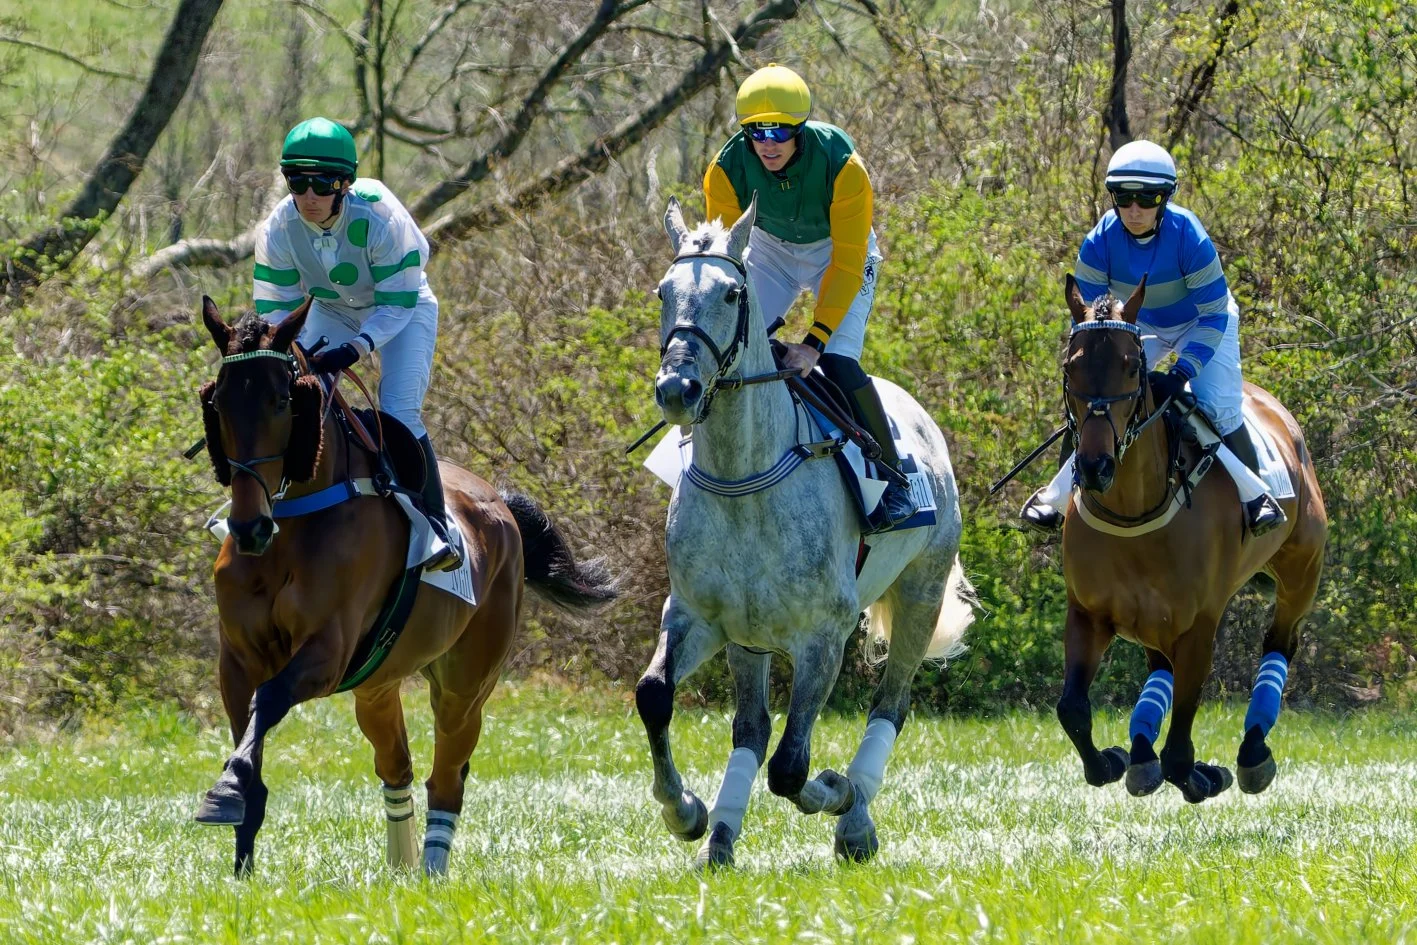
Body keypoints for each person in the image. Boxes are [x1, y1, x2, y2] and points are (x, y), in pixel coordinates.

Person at [1021, 139, 1287, 536]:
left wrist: (1182, 372)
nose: (1134, 210)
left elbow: (1213, 314)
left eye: (1148, 198)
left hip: (1201, 321)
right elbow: (1092, 322)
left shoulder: (1188, 237)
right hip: (1139, 325)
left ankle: (1257, 498)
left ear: (1165, 198)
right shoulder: (1098, 242)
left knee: (1218, 406)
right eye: (1124, 198)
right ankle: (1057, 500)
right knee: (1093, 398)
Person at [703, 64, 914, 533]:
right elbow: (725, 260)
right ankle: (695, 470)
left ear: (799, 128)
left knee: (837, 360)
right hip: (768, 251)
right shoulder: (723, 170)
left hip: (837, 254)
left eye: (779, 130)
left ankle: (893, 475)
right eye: (756, 131)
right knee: (721, 352)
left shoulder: (844, 167)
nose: (767, 142)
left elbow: (846, 262)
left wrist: (814, 340)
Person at [252, 116, 460, 571]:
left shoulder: (380, 214)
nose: (308, 196)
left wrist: (359, 346)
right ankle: (261, 509)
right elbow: (275, 309)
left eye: (322, 183)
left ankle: (434, 527)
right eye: (297, 182)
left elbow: (397, 300)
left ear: (344, 183)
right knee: (291, 397)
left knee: (398, 409)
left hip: (400, 310)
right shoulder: (278, 228)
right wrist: (291, 355)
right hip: (332, 310)